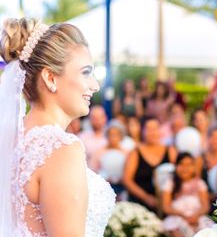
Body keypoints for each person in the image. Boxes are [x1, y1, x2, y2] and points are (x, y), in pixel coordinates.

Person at [0, 18, 115, 236]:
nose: (95, 85)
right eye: (86, 72)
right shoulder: (61, 149)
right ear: (50, 77)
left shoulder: (11, 142)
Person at [123, 117, 177, 212]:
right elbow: (127, 180)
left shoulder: (171, 151)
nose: (152, 132)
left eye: (155, 128)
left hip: (166, 204)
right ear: (142, 131)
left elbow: (179, 174)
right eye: (149, 129)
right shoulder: (135, 153)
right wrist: (146, 197)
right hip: (140, 204)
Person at [162, 152, 213, 237]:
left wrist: (196, 216)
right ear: (176, 166)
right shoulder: (171, 183)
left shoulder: (199, 183)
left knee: (206, 229)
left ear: (194, 167)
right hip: (178, 215)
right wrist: (183, 215)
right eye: (181, 164)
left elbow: (205, 205)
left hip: (197, 216)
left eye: (189, 165)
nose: (185, 168)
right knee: (175, 229)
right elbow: (166, 206)